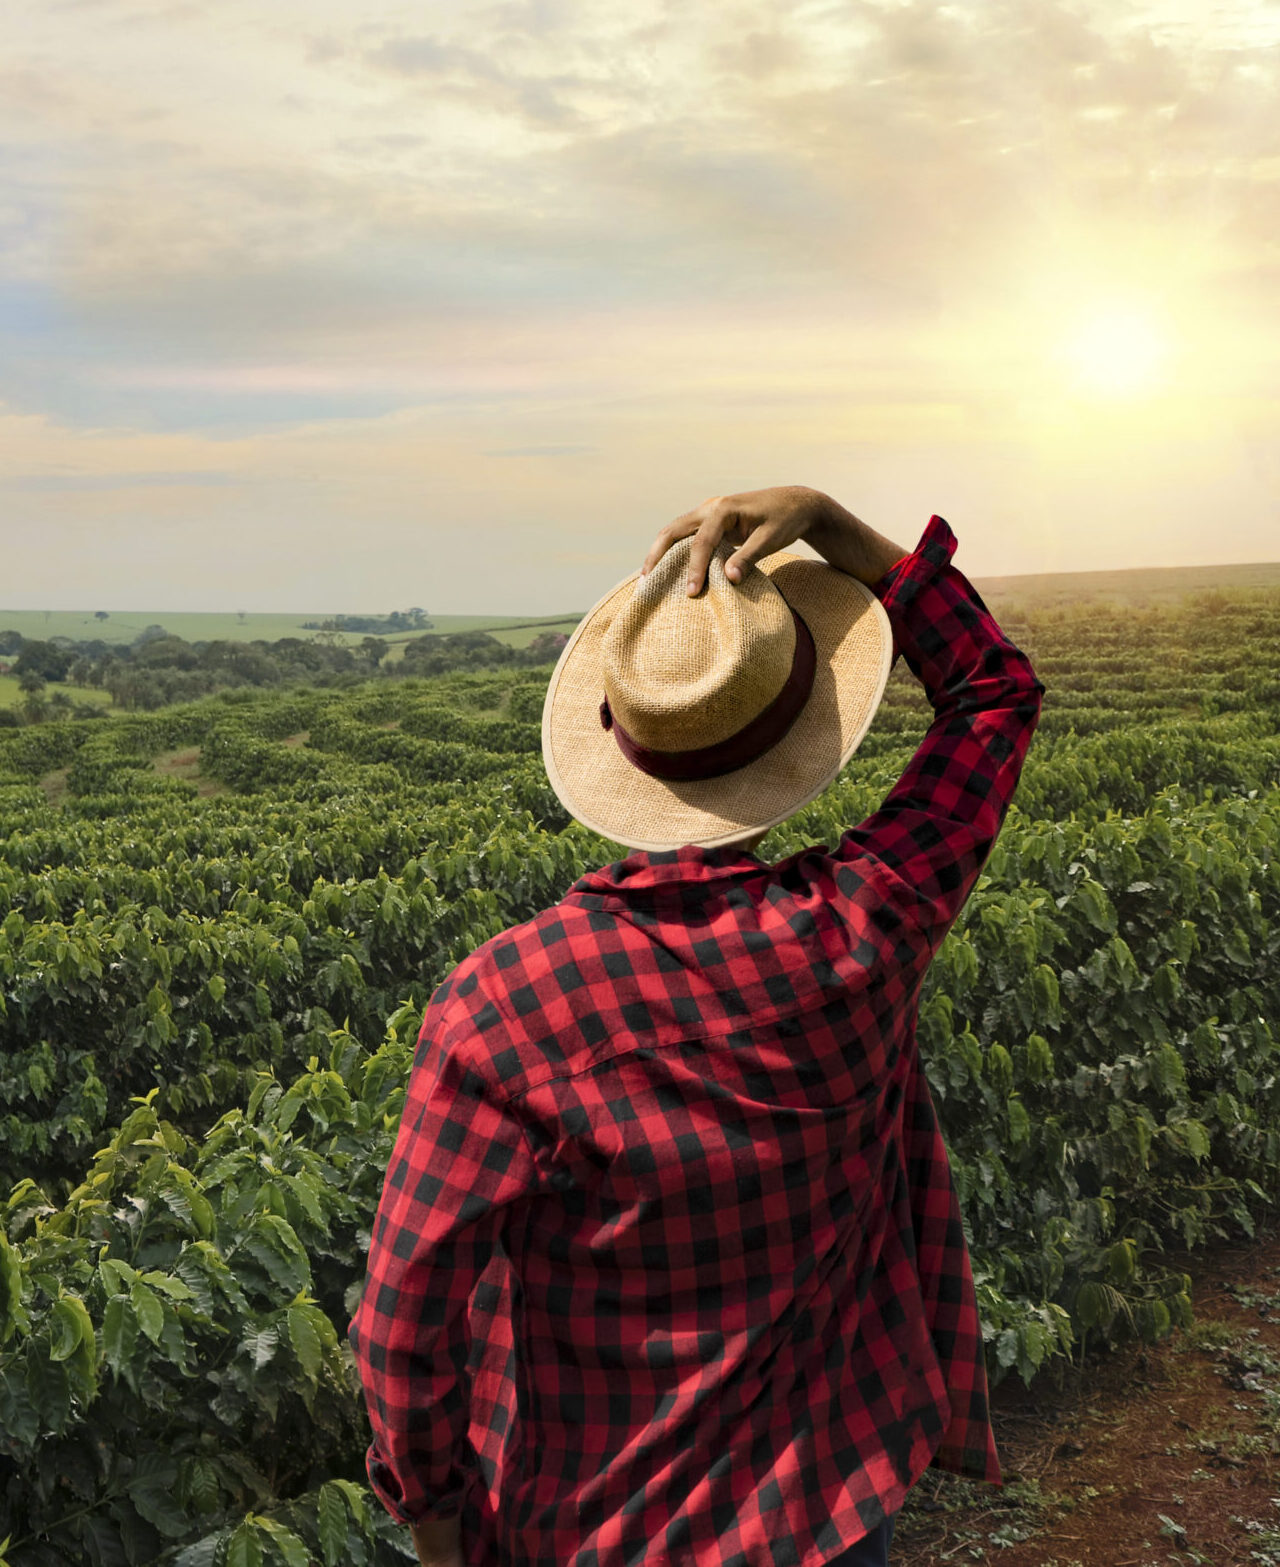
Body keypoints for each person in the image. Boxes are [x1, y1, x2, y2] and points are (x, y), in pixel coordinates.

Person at [348, 486, 1044, 1567]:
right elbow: (991, 695)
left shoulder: (503, 1006)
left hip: (605, 1528)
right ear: (805, 734)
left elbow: (401, 1325)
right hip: (831, 1496)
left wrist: (438, 1531)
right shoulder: (863, 929)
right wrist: (834, 526)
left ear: (617, 745)